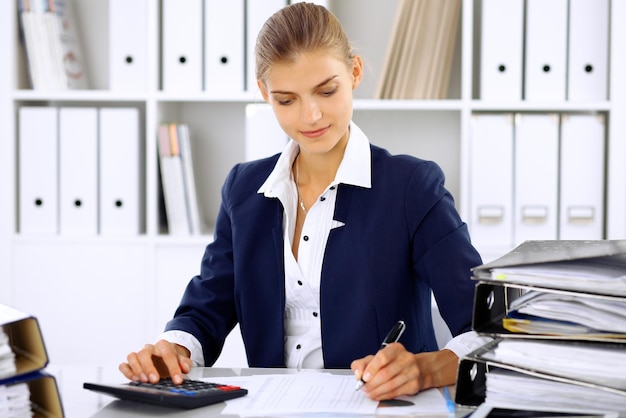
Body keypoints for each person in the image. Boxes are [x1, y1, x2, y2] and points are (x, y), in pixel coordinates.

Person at [120, 2, 486, 401]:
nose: (311, 115)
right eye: (287, 99)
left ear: (355, 73)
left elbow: (483, 326)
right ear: (265, 94)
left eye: (326, 91)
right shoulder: (244, 189)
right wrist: (173, 350)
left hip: (379, 408)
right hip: (269, 406)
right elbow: (206, 307)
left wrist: (423, 369)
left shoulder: (411, 186)